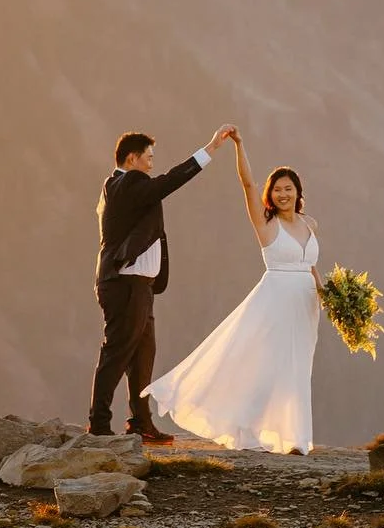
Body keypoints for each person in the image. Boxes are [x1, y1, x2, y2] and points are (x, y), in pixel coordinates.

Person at [144, 133, 322, 454]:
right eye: (277, 190)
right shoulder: (266, 224)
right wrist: (239, 146)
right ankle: (248, 428)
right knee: (270, 365)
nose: (283, 194)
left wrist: (329, 297)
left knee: (297, 368)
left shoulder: (310, 224)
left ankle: (294, 438)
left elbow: (311, 265)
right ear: (271, 195)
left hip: (307, 305)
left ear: (298, 193)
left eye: (288, 189)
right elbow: (248, 185)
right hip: (276, 301)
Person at [88, 125, 237, 443]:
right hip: (125, 284)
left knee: (142, 355)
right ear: (132, 158)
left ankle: (141, 423)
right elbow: (170, 181)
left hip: (137, 286)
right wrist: (209, 149)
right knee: (117, 352)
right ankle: (99, 424)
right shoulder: (130, 181)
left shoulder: (120, 186)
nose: (152, 165)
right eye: (149, 158)